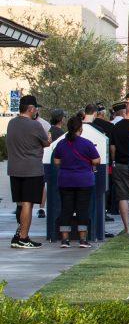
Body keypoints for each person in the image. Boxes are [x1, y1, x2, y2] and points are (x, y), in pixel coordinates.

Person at [51, 113, 100, 247]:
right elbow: (96, 160)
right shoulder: (87, 144)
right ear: (80, 129)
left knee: (66, 209)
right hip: (84, 181)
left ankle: (65, 240)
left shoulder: (61, 143)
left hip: (65, 181)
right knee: (82, 210)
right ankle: (83, 239)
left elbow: (56, 161)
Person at [7, 95, 50, 247]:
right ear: (31, 109)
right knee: (28, 204)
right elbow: (46, 142)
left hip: (14, 169)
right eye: (35, 109)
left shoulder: (11, 123)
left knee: (20, 203)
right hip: (31, 170)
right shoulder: (35, 125)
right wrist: (49, 138)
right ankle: (23, 238)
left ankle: (19, 233)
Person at [109, 101, 129, 235]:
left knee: (122, 196)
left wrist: (114, 161)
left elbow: (112, 147)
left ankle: (127, 227)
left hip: (119, 164)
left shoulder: (116, 127)